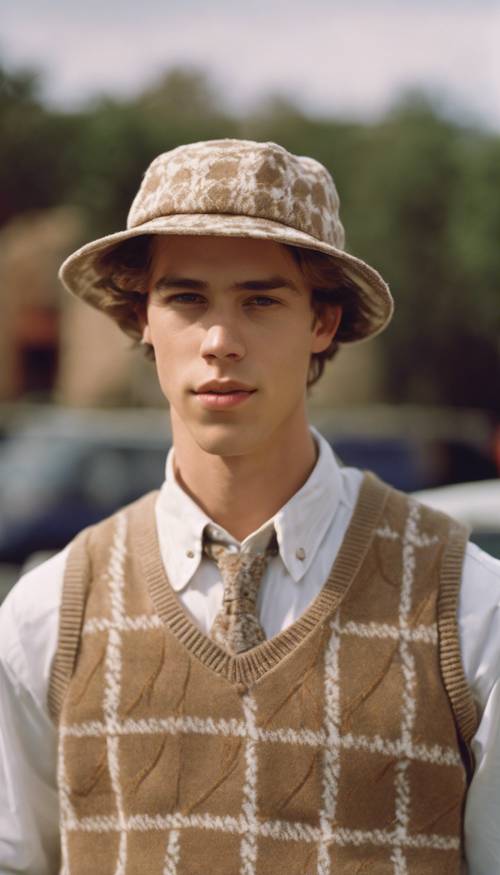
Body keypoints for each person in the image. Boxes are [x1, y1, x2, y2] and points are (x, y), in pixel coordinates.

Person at [0, 138, 499, 875]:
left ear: (322, 323)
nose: (220, 341)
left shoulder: (465, 606)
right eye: (186, 298)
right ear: (142, 318)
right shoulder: (48, 615)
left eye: (261, 300)